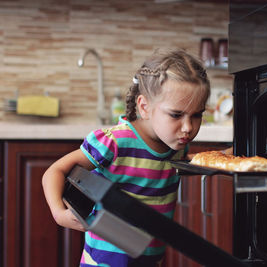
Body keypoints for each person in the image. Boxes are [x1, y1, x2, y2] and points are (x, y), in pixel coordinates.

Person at [42, 48, 211, 267]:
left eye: (197, 115)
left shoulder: (175, 143)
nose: (188, 127)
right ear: (144, 106)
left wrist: (227, 157)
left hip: (149, 260)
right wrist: (59, 214)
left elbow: (189, 164)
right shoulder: (116, 142)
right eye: (176, 115)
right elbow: (55, 171)